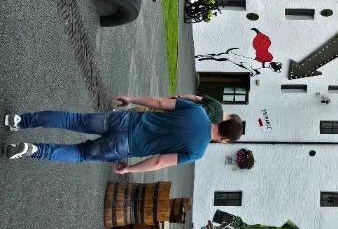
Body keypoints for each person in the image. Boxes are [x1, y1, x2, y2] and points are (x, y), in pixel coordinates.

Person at [2, 95, 243, 173]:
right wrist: (130, 169)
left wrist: (132, 99)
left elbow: (160, 102)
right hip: (125, 146)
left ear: (223, 121)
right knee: (81, 153)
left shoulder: (197, 111)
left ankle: (19, 121)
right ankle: (34, 150)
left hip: (125, 119)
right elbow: (159, 162)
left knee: (73, 120)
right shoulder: (197, 152)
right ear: (224, 140)